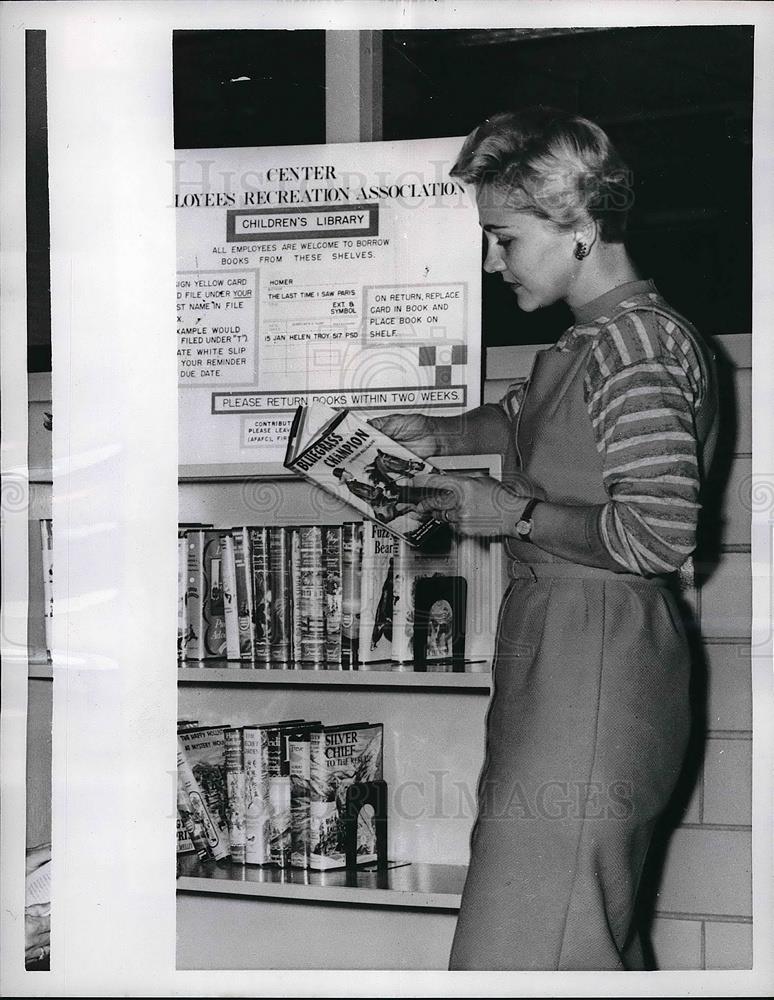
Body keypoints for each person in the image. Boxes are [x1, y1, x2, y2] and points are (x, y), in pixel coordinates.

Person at [373, 108, 719, 971]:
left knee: (526, 949)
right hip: (562, 647)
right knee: (575, 934)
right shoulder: (595, 336)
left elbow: (658, 534)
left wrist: (513, 515)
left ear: (582, 229)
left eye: (504, 239)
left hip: (599, 648)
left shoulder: (635, 347)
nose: (493, 264)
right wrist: (446, 434)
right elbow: (538, 420)